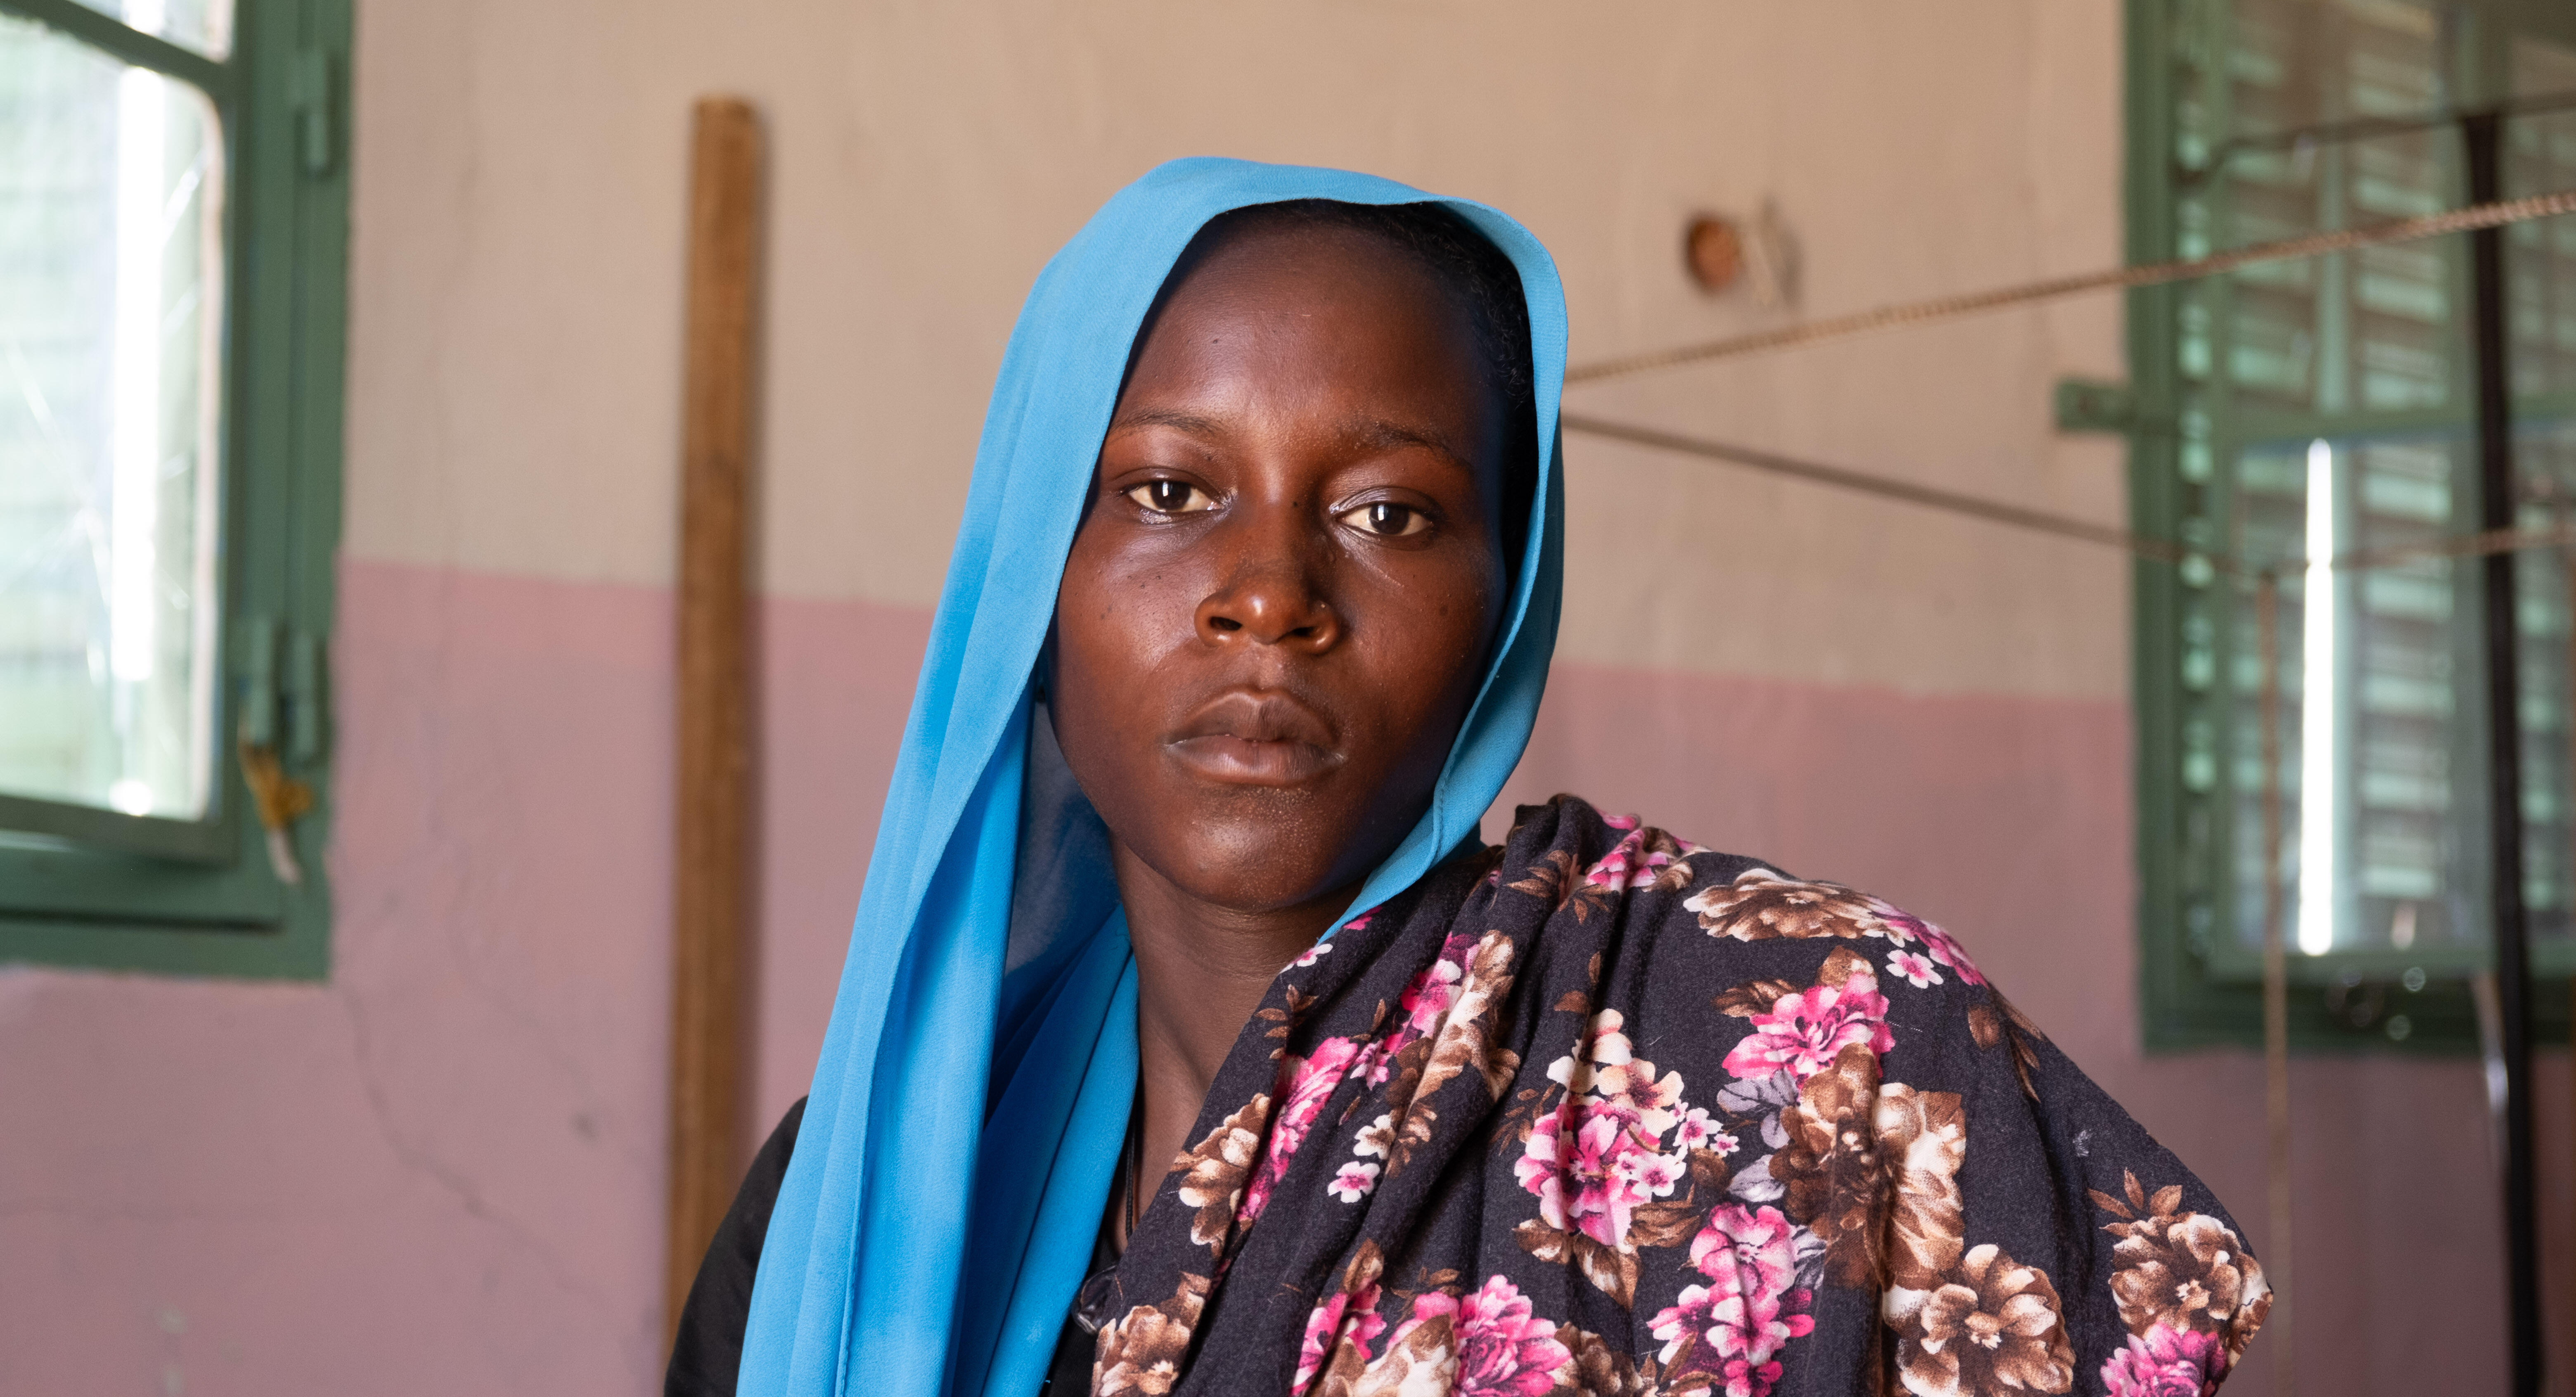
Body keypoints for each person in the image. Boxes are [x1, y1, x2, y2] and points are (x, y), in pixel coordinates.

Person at [667, 159, 2269, 1397]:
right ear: (1032, 581)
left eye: (1390, 511)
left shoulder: (1815, 1062)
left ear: (1507, 600)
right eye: (1168, 488)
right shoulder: (864, 1205)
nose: (1270, 591)